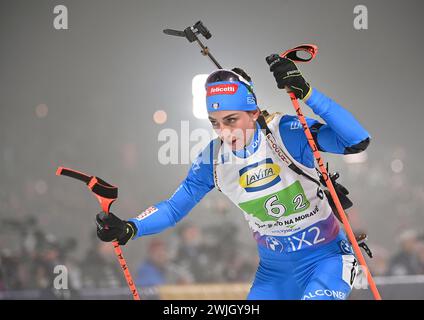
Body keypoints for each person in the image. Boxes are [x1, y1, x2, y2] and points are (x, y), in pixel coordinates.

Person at [95, 56, 371, 300]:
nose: (224, 131)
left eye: (231, 119)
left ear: (253, 112)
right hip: (275, 271)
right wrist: (130, 227)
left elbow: (357, 141)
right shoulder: (213, 159)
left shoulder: (285, 132)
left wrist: (308, 94)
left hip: (326, 258)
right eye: (215, 122)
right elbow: (174, 207)